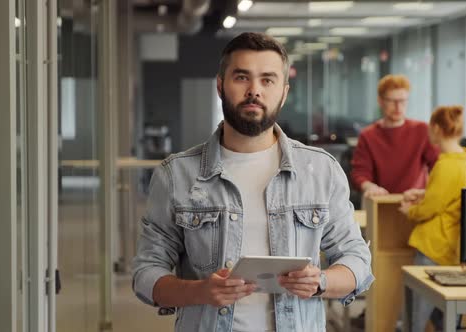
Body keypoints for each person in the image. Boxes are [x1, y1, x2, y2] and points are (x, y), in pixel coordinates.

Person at [132, 32, 374, 332]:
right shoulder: (176, 175)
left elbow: (358, 261)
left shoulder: (320, 170)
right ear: (220, 86)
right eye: (242, 77)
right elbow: (145, 273)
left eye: (267, 80)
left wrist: (320, 281)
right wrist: (199, 292)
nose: (254, 91)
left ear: (283, 93)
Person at [399, 105, 466, 332]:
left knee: (416, 320)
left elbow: (430, 209)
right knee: (448, 321)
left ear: (436, 128)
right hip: (452, 249)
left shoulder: (445, 165)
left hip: (433, 247)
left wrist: (409, 210)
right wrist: (423, 193)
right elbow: (453, 195)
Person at [350, 74, 439, 198]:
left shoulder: (422, 130)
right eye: (392, 101)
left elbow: (438, 166)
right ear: (380, 101)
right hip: (381, 203)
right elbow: (359, 174)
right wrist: (370, 187)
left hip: (416, 203)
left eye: (402, 101)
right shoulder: (368, 136)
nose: (398, 107)